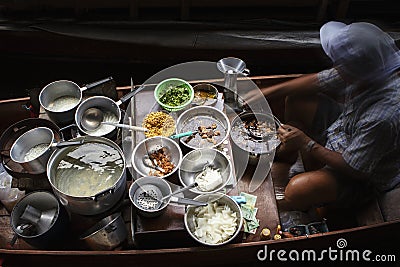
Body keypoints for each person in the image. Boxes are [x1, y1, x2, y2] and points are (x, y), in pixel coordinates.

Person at [246, 21, 400, 212]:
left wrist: (307, 143)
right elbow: (318, 81)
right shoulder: (370, 68)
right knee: (298, 98)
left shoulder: (382, 117)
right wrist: (263, 93)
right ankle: (294, 156)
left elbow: (355, 168)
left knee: (298, 189)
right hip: (343, 130)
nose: (337, 68)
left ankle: (287, 204)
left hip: (361, 175)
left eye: (341, 66)